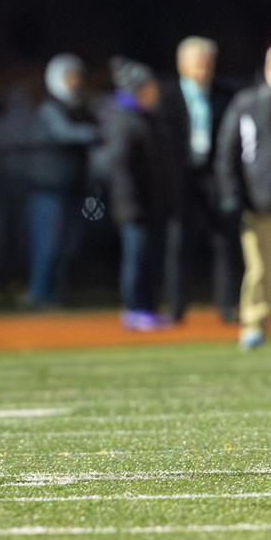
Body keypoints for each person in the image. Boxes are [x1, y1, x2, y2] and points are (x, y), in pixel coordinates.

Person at [159, 36, 237, 324]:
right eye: (197, 60)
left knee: (226, 241)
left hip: (214, 176)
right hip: (181, 178)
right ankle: (177, 307)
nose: (204, 66)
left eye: (208, 60)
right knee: (178, 241)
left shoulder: (225, 95)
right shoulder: (166, 96)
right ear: (182, 65)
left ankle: (227, 306)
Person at [102, 56, 176, 331]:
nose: (154, 92)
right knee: (137, 258)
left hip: (149, 202)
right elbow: (120, 166)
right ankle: (135, 309)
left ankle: (147, 307)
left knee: (149, 257)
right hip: (135, 205)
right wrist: (131, 202)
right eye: (149, 87)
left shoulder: (143, 118)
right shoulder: (124, 120)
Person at [23, 54, 98, 307]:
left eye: (77, 76)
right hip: (48, 190)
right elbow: (64, 134)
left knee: (68, 246)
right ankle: (38, 293)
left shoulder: (79, 107)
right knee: (48, 245)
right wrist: (97, 133)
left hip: (70, 188)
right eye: (69, 76)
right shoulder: (50, 107)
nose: (75, 82)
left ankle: (55, 292)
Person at [216, 47, 271, 350]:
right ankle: (253, 323)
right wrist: (231, 194)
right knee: (260, 266)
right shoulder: (248, 103)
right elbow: (227, 153)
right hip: (259, 199)